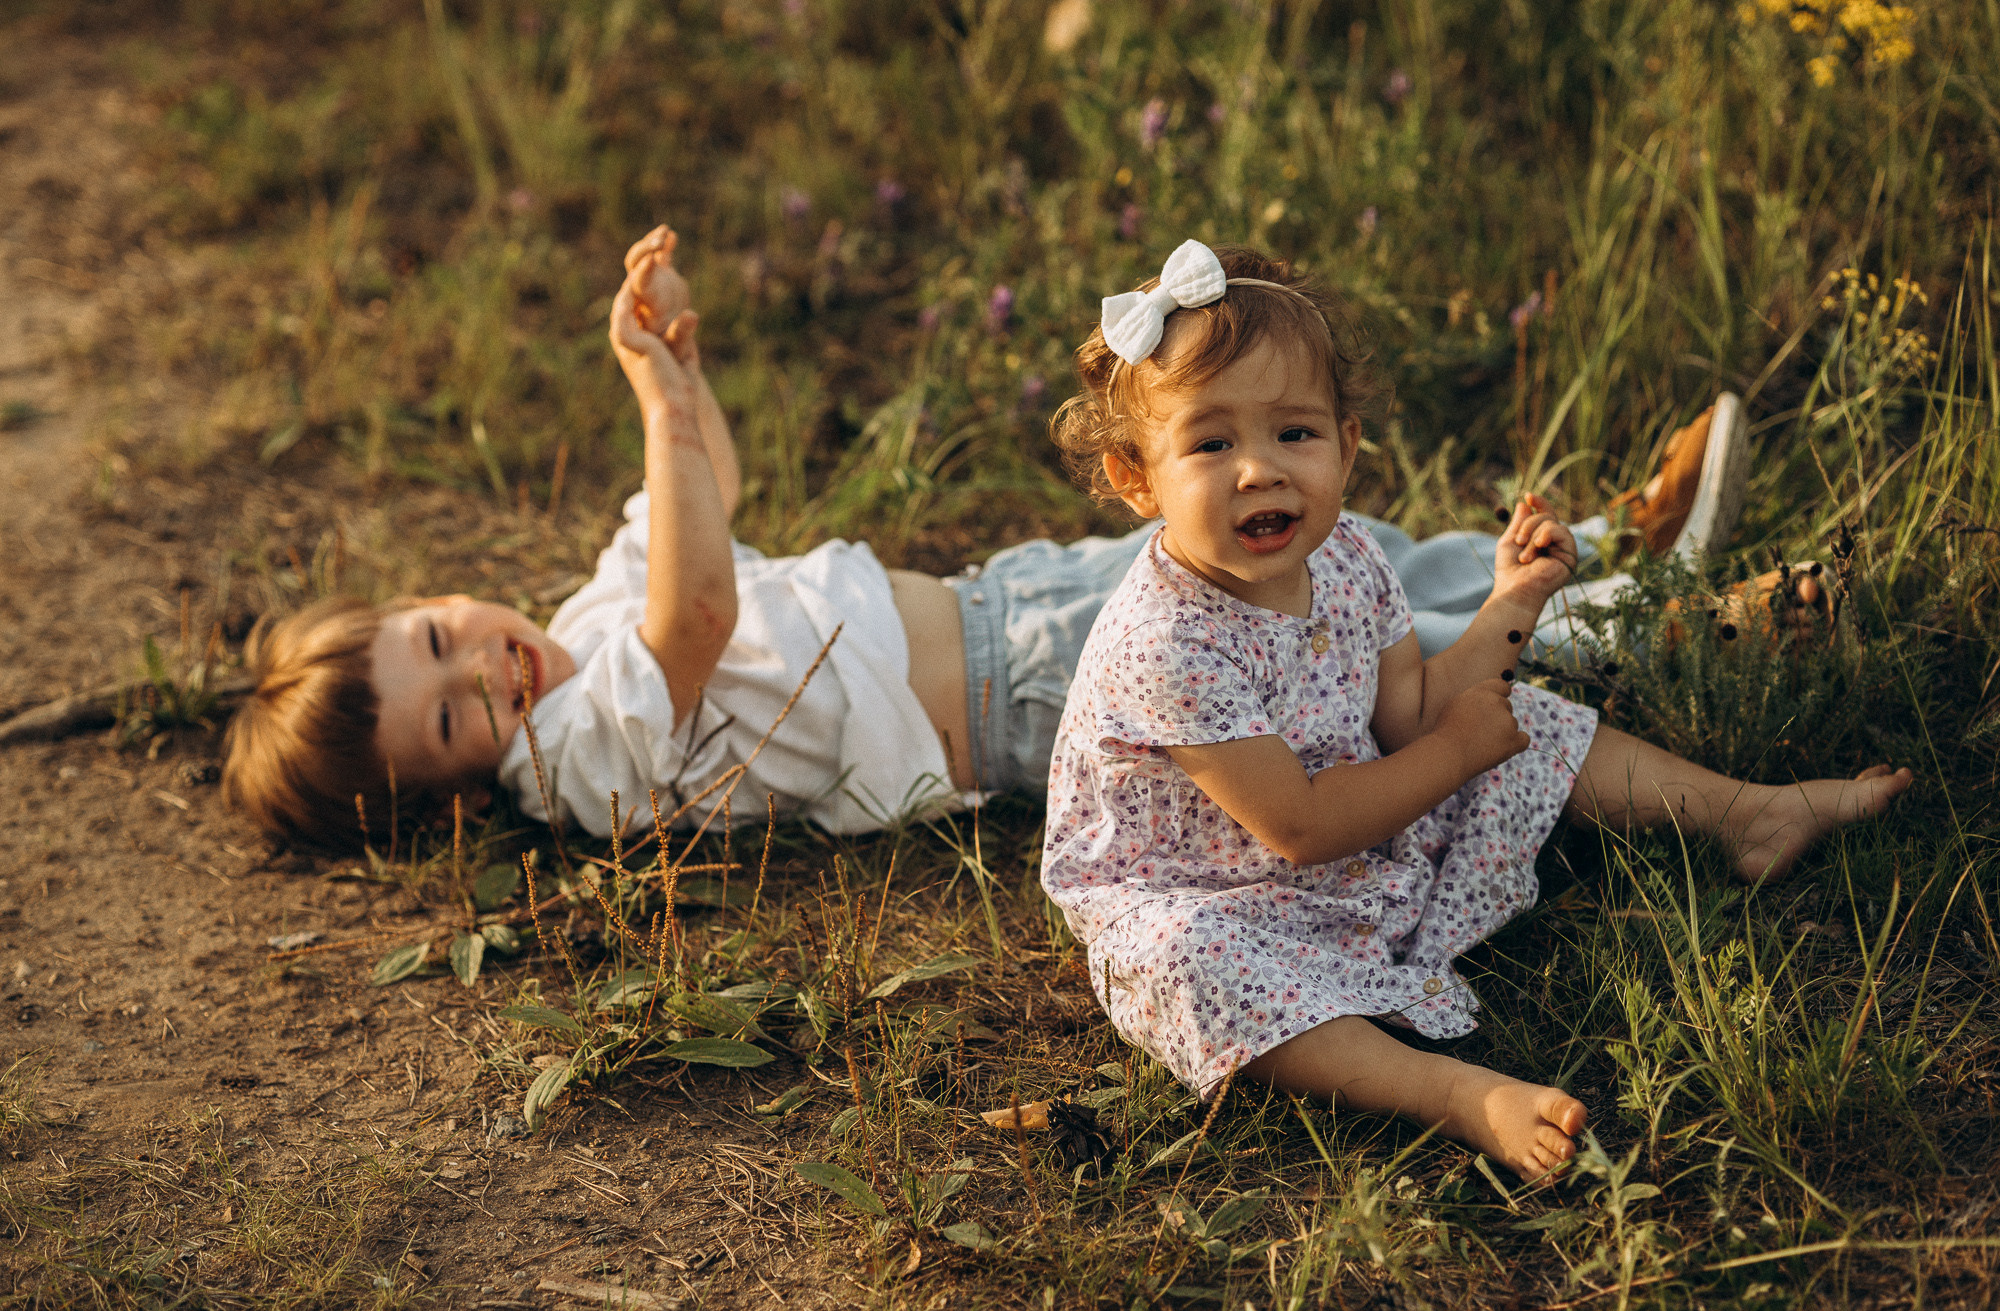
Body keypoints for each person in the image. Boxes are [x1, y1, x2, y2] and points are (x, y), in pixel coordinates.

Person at [223, 227, 1794, 848]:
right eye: (451, 724)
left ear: (437, 598)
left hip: (1002, 604)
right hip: (1023, 694)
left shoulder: (573, 614)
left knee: (1328, 553)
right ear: (452, 790)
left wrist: (684, 380)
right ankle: (1630, 621)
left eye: (442, 637)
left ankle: (1599, 546)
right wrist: (647, 397)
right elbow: (695, 615)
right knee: (1298, 649)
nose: (486, 674)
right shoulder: (572, 761)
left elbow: (702, 508)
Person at [1038, 239, 1911, 1178]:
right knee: (1184, 961)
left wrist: (1512, 604)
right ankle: (1453, 1092)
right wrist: (1452, 756)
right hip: (1212, 889)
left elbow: (1409, 715)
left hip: (1358, 816)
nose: (1260, 471)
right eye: (1211, 444)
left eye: (1295, 434)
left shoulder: (1346, 558)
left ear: (1347, 443)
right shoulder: (1168, 642)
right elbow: (1300, 825)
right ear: (1138, 479)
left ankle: (1750, 812)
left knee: (1522, 727)